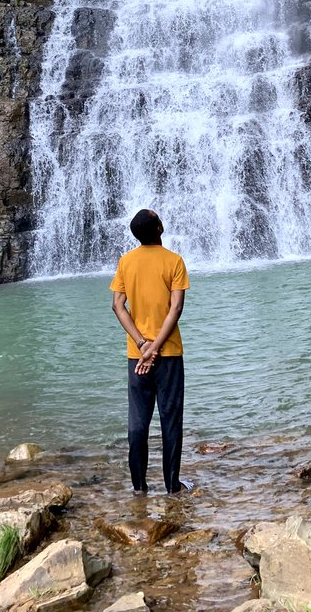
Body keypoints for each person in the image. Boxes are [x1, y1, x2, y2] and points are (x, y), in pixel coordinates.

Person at [110, 208, 191, 495]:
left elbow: (118, 306)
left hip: (137, 356)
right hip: (168, 354)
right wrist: (156, 346)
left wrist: (143, 345)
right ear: (160, 228)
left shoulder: (126, 262)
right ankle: (172, 485)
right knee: (170, 419)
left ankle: (139, 486)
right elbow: (176, 308)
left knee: (138, 422)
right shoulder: (174, 261)